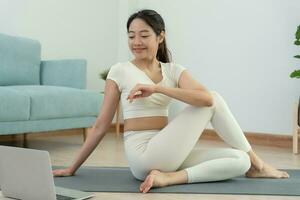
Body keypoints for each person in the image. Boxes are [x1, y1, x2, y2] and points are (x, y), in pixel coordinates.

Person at [53, 9, 289, 193]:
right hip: (143, 153)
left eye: (144, 35)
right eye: (131, 36)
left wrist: (158, 89)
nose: (136, 42)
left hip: (168, 152)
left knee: (239, 160)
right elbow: (101, 125)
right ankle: (259, 164)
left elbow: (203, 97)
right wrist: (73, 167)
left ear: (160, 36)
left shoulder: (173, 71)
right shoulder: (120, 70)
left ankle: (171, 177)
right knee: (213, 99)